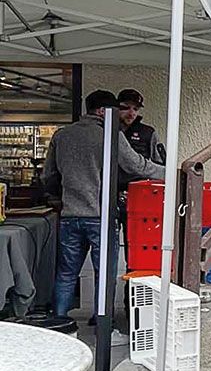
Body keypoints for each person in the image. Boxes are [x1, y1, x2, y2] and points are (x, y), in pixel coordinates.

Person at [42, 90, 165, 341]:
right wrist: (170, 171)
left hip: (69, 215)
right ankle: (103, 328)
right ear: (102, 112)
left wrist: (59, 197)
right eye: (115, 110)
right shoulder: (110, 135)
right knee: (104, 274)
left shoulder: (62, 135)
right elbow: (136, 166)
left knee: (67, 272)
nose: (121, 116)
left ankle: (59, 327)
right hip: (101, 216)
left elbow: (48, 176)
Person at [115, 89, 164, 313]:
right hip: (104, 199)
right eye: (126, 107)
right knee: (105, 257)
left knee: (135, 258)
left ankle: (131, 308)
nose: (131, 113)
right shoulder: (104, 131)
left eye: (135, 108)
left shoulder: (147, 133)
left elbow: (157, 166)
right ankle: (103, 312)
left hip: (139, 203)